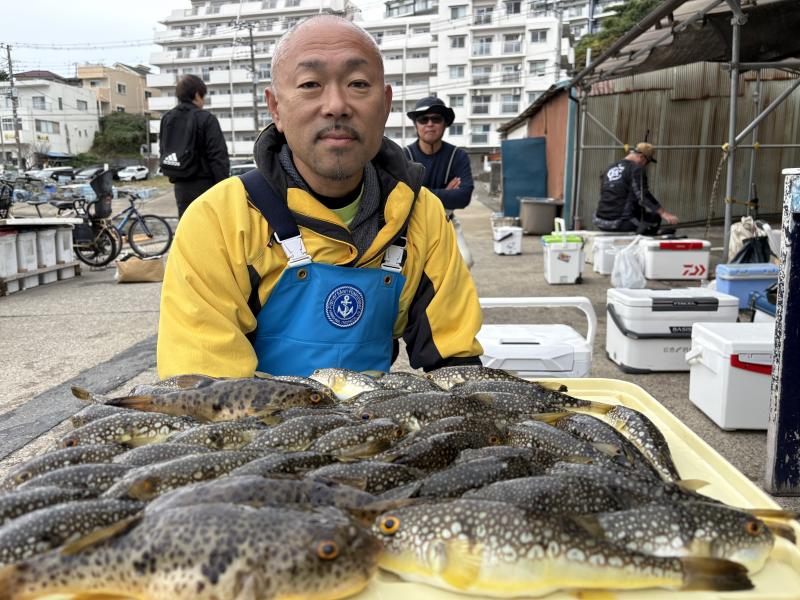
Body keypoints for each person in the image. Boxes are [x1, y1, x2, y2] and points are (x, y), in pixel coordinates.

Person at [156, 15, 483, 379]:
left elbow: (456, 364)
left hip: (375, 413)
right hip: (255, 415)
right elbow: (205, 389)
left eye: (358, 83)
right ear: (276, 108)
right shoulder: (218, 219)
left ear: (385, 104)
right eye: (310, 84)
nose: (336, 105)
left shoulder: (422, 215)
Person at [405, 96, 475, 268]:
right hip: (410, 225)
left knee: (465, 261)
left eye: (436, 119)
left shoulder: (458, 155)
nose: (430, 124)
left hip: (447, 220)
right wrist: (446, 193)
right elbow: (401, 197)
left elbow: (463, 197)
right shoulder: (404, 155)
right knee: (410, 269)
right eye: (423, 119)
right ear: (416, 125)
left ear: (445, 124)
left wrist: (419, 191)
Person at [158, 74, 230, 219]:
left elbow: (163, 149)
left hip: (180, 186)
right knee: (211, 226)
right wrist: (224, 189)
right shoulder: (206, 118)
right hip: (206, 185)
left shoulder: (167, 118)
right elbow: (218, 157)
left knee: (187, 226)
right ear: (197, 95)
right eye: (203, 96)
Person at [593, 143, 678, 235]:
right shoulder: (636, 169)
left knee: (639, 210)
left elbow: (605, 193)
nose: (645, 165)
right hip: (620, 223)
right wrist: (664, 213)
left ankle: (648, 231)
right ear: (642, 157)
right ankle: (645, 237)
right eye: (647, 162)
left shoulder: (609, 168)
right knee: (655, 217)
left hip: (600, 221)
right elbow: (643, 195)